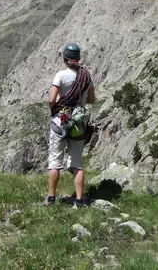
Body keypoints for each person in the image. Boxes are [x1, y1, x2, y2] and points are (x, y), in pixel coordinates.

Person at [45, 43, 95, 207]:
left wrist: (56, 111)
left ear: (65, 58)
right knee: (76, 164)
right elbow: (92, 99)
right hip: (78, 124)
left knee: (55, 162)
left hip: (60, 121)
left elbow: (52, 99)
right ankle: (79, 200)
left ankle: (51, 199)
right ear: (78, 58)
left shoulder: (61, 75)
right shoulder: (86, 76)